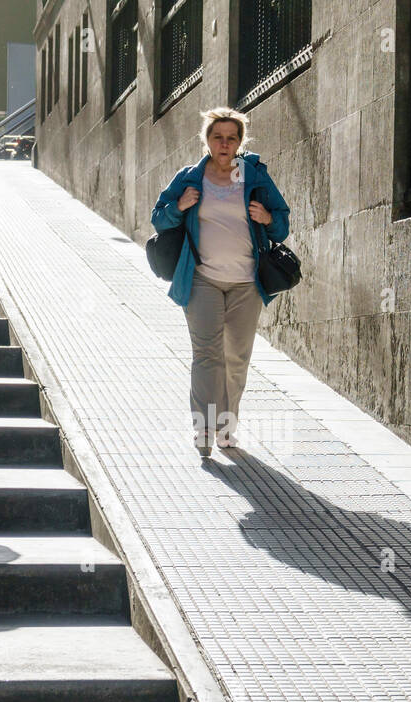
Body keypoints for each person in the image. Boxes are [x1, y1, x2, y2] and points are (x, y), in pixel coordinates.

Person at [151, 106, 290, 457]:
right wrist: (179, 206)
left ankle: (227, 427)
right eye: (218, 137)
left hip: (246, 283)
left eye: (231, 138)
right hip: (202, 280)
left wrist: (267, 217)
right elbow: (158, 218)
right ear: (207, 141)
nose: (224, 144)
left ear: (240, 142)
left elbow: (283, 226)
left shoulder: (254, 177)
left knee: (236, 357)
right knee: (207, 356)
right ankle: (203, 429)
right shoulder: (190, 178)